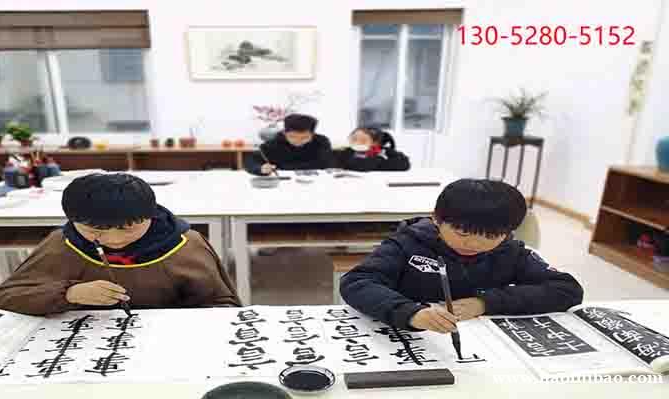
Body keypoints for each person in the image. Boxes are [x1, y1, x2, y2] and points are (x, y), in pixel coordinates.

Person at [339, 179, 583, 334]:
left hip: (484, 341)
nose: (474, 243)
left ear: (509, 231)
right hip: (412, 334)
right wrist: (410, 313)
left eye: (491, 235)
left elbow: (566, 289)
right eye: (462, 233)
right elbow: (357, 283)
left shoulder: (510, 252)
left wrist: (486, 303)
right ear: (436, 219)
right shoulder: (408, 243)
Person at [0, 173, 241, 315]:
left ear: (150, 216)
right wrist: (68, 294)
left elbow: (222, 307)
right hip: (83, 345)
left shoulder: (186, 245)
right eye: (95, 231)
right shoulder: (62, 244)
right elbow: (1, 300)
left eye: (128, 228)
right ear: (73, 222)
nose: (114, 241)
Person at [246, 113, 334, 175]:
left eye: (304, 137)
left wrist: (282, 167)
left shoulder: (322, 142)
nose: (298, 141)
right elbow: (250, 162)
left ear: (312, 134)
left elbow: (326, 163)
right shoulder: (273, 143)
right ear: (284, 133)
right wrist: (260, 168)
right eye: (292, 137)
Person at [334, 127, 410, 172]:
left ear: (374, 144)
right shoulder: (347, 151)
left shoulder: (382, 152)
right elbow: (353, 163)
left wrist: (378, 159)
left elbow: (404, 163)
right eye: (353, 138)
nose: (357, 142)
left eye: (363, 140)